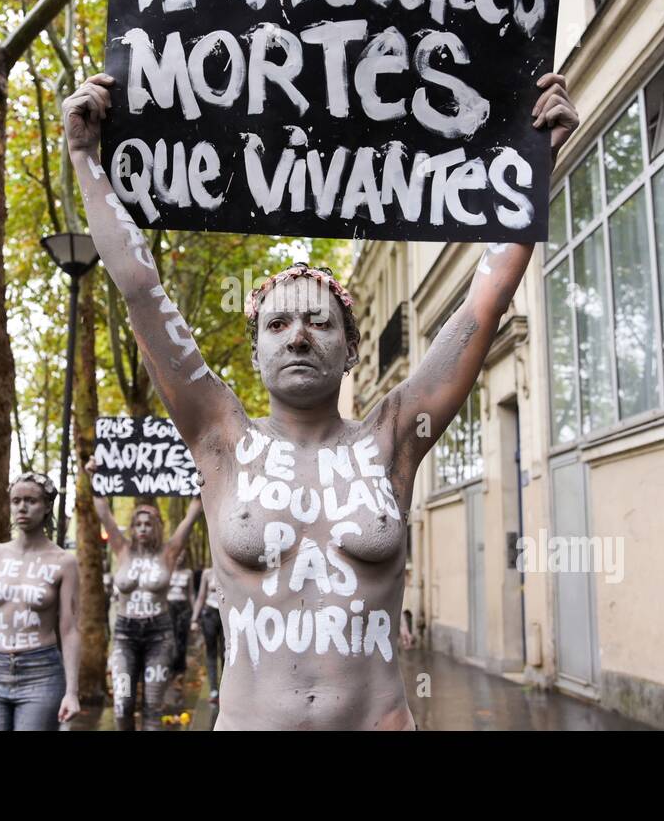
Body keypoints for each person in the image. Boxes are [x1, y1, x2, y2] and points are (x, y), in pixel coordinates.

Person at [62, 70, 576, 729]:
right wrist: (85, 160)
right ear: (255, 354)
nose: (299, 334)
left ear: (351, 348)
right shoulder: (221, 439)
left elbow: (482, 306)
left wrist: (537, 160)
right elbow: (139, 289)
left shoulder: (394, 437)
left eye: (318, 322)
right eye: (278, 324)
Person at [0, 473, 81, 730]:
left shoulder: (64, 561)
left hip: (41, 672)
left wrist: (72, 691)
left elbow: (69, 628)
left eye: (31, 500)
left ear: (46, 507)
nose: (22, 507)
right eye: (16, 500)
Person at [93, 483, 202, 730]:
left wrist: (199, 480)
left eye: (148, 524)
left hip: (159, 636)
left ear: (158, 527)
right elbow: (102, 510)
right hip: (124, 635)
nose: (143, 528)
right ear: (131, 529)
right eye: (138, 524)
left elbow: (194, 510)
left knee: (153, 707)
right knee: (122, 704)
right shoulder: (122, 549)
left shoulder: (169, 552)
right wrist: (96, 476)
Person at [190, 566, 224, 701]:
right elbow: (200, 597)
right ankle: (213, 690)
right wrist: (194, 619)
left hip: (225, 615)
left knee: (225, 652)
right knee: (211, 652)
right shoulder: (207, 573)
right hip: (209, 615)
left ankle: (224, 687)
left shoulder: (229, 568)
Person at [166, 561, 195, 680]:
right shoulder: (167, 570)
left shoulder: (188, 573)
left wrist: (195, 614)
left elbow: (191, 593)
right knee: (171, 638)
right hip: (169, 607)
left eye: (183, 556)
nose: (180, 558)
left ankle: (181, 667)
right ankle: (170, 665)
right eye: (178, 556)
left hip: (183, 608)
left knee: (182, 638)